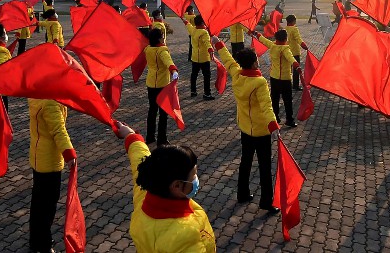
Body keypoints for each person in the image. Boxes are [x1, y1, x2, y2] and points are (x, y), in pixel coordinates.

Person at [113, 122, 216, 252]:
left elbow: (139, 157)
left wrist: (130, 135)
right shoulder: (184, 235)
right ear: (177, 185)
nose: (196, 179)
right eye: (194, 175)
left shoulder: (146, 189)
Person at [227, 47, 281, 214]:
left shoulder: (237, 74)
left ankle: (242, 193)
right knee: (265, 166)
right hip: (260, 131)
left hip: (245, 128)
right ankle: (266, 201)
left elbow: (228, 61)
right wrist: (273, 125)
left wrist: (218, 44)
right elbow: (267, 106)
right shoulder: (259, 82)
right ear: (253, 63)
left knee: (246, 161)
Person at [28, 96, 77, 253]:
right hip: (49, 160)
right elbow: (58, 130)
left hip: (38, 156)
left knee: (38, 204)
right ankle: (44, 244)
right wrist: (69, 154)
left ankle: (35, 240)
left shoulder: (36, 95)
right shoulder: (50, 102)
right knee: (47, 207)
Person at [251, 29, 299, 127]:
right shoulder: (285, 49)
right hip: (285, 79)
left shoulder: (272, 45)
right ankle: (289, 119)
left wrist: (256, 33)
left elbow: (263, 40)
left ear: (276, 38)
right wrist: (296, 65)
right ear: (286, 39)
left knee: (275, 99)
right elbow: (290, 58)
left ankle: (275, 117)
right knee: (288, 100)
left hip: (274, 77)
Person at [143, 27, 180, 146]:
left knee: (152, 110)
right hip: (162, 84)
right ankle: (162, 138)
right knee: (163, 113)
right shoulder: (162, 50)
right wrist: (174, 71)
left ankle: (150, 137)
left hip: (151, 82)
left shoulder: (148, 49)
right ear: (159, 38)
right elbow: (169, 62)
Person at [184, 15, 214, 99]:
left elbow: (188, 25)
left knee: (194, 75)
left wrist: (184, 20)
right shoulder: (204, 32)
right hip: (204, 57)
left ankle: (193, 91)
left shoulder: (193, 30)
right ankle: (207, 93)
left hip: (195, 57)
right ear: (202, 22)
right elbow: (207, 43)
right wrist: (211, 51)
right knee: (206, 76)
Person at [284, 15, 308, 90]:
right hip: (295, 52)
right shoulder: (294, 29)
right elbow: (298, 39)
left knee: (288, 70)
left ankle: (288, 84)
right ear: (293, 21)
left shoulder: (285, 29)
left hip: (287, 51)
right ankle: (296, 85)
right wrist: (304, 45)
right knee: (296, 70)